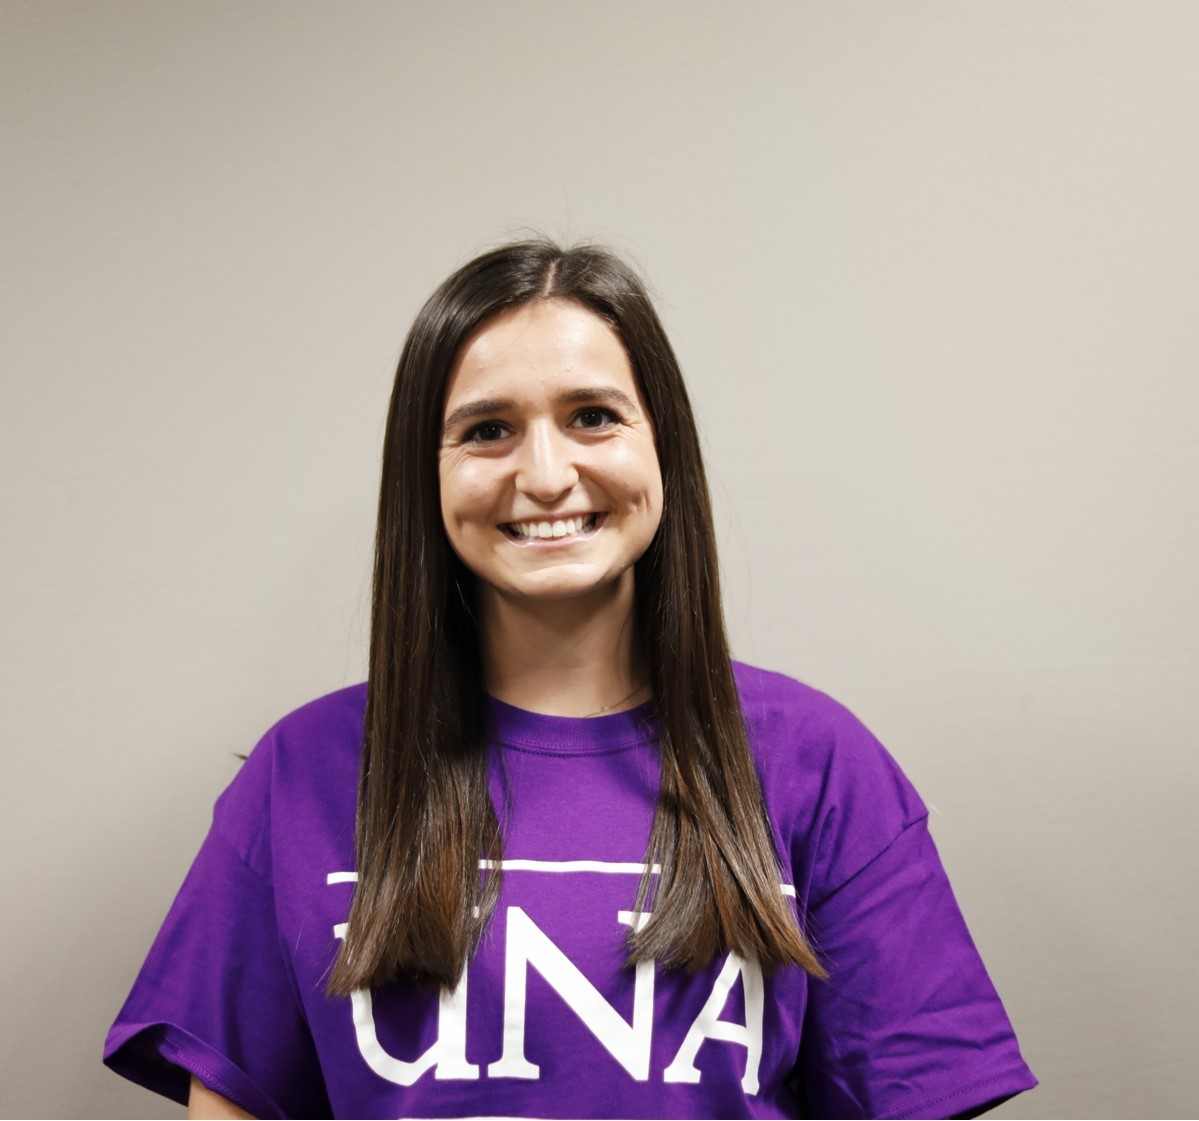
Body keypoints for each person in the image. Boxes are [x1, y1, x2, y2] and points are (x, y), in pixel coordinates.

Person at [104, 239, 1037, 1119]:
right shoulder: (302, 773)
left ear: (660, 443)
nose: (546, 475)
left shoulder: (819, 764)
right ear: (426, 475)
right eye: (488, 430)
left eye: (592, 416)